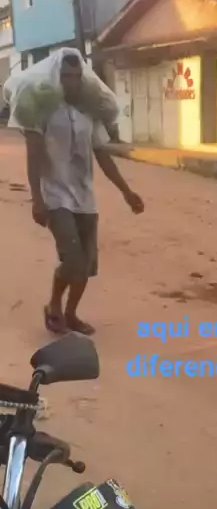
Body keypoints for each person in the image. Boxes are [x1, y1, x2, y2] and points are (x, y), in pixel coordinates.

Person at [24, 51, 144, 336]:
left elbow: (102, 155)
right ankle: (54, 305)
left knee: (87, 264)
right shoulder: (43, 110)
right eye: (66, 76)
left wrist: (126, 191)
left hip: (85, 198)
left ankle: (71, 314)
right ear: (56, 78)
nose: (71, 82)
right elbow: (34, 156)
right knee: (73, 259)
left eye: (76, 76)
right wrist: (37, 199)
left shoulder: (89, 112)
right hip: (56, 195)